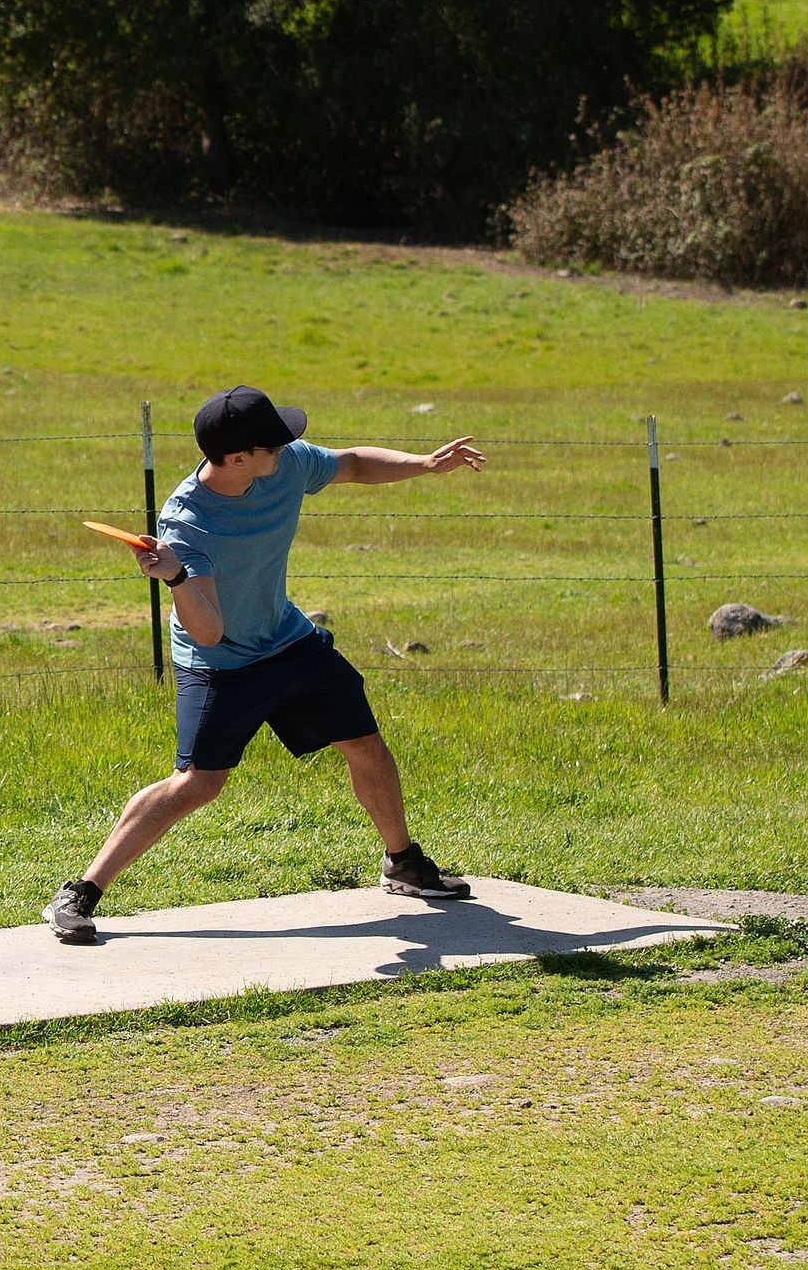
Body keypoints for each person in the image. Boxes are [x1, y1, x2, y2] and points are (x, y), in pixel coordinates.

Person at [46, 385, 488, 945]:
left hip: (287, 640)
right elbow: (209, 630)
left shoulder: (283, 465)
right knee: (199, 783)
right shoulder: (188, 522)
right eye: (273, 443)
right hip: (221, 663)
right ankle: (81, 891)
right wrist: (177, 578)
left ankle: (403, 863)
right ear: (236, 459)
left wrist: (425, 464)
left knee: (364, 743)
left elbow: (352, 463)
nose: (289, 447)